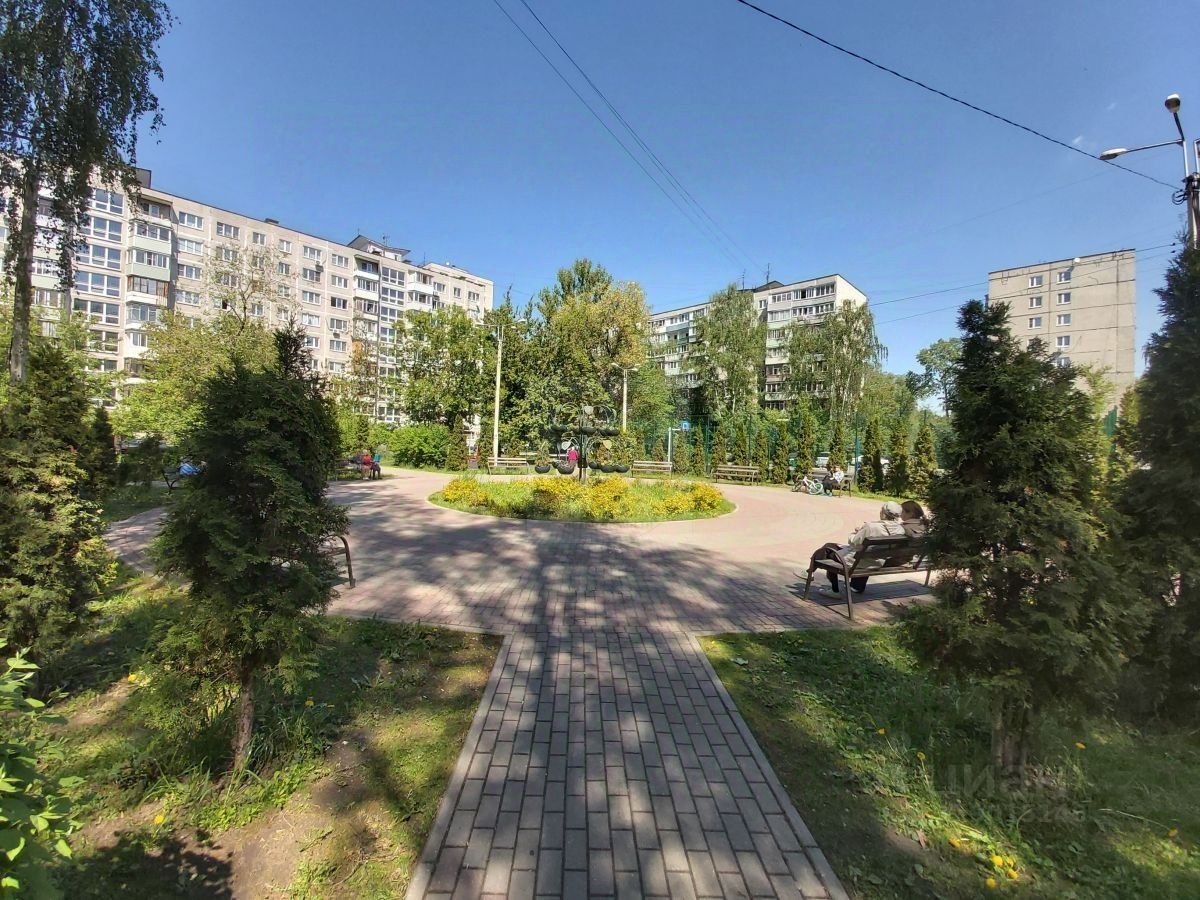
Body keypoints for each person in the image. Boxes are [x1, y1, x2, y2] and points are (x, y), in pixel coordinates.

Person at [811, 501, 907, 596]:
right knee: (867, 555)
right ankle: (857, 586)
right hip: (878, 561)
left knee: (828, 550)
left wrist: (856, 532)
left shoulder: (871, 526)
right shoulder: (900, 530)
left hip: (856, 561)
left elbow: (854, 542)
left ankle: (833, 589)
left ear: (883, 513)